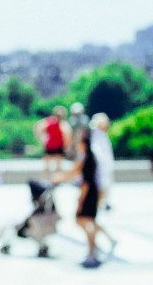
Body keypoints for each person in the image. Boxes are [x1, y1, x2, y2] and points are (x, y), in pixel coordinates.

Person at [54, 130, 116, 268]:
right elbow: (75, 172)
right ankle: (100, 244)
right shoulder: (88, 156)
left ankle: (92, 250)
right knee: (87, 221)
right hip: (92, 192)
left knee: (85, 221)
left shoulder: (87, 158)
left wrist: (80, 200)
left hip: (89, 193)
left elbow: (84, 181)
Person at [35, 106, 71, 178]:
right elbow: (68, 135)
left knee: (48, 166)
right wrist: (67, 146)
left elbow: (38, 128)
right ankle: (55, 180)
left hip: (50, 145)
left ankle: (46, 179)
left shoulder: (48, 121)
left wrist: (42, 139)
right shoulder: (62, 123)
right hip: (57, 146)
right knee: (57, 166)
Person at [89, 112, 115, 210]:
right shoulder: (96, 135)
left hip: (105, 168)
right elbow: (98, 154)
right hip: (101, 169)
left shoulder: (101, 135)